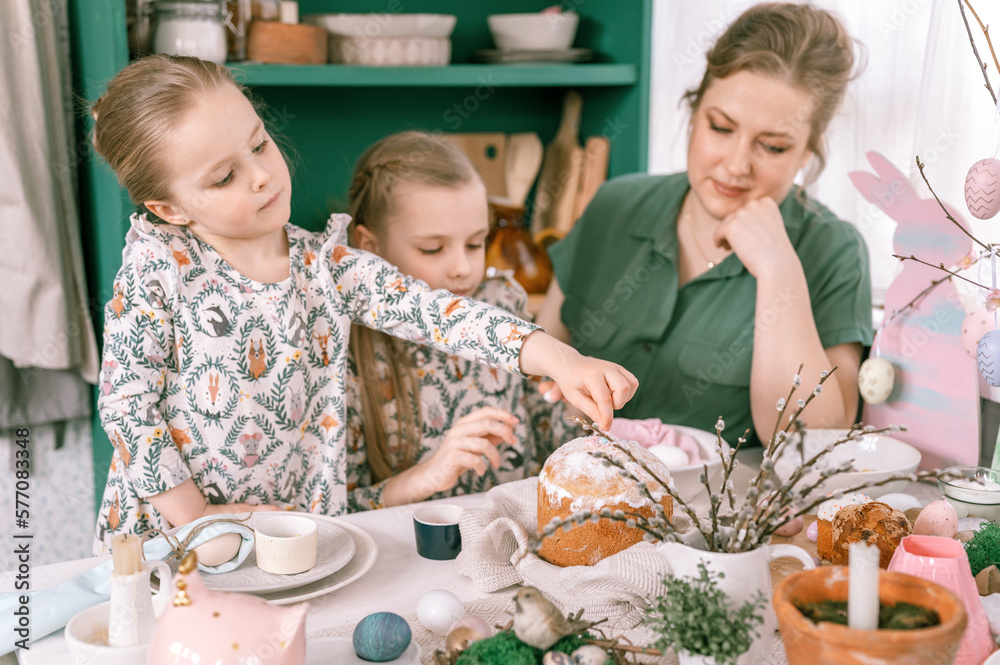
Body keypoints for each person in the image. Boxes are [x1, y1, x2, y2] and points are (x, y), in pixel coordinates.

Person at [89, 55, 637, 552]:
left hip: (288, 531)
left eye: (258, 145)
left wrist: (559, 359)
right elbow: (126, 405)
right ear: (171, 207)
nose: (260, 176)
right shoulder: (160, 270)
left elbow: (436, 312)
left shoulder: (327, 266)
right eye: (225, 177)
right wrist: (198, 517)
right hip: (169, 536)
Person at [536, 3, 873, 446]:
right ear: (694, 113)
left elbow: (813, 446)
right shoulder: (615, 205)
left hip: (716, 514)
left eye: (772, 147)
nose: (736, 166)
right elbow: (539, 368)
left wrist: (779, 272)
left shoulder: (833, 250)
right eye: (720, 127)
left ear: (806, 154)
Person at [342, 132, 574, 510]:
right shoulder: (347, 346)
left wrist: (568, 403)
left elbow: (552, 443)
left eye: (475, 243)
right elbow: (340, 512)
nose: (464, 269)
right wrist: (428, 474)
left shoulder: (501, 303)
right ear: (370, 247)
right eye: (432, 249)